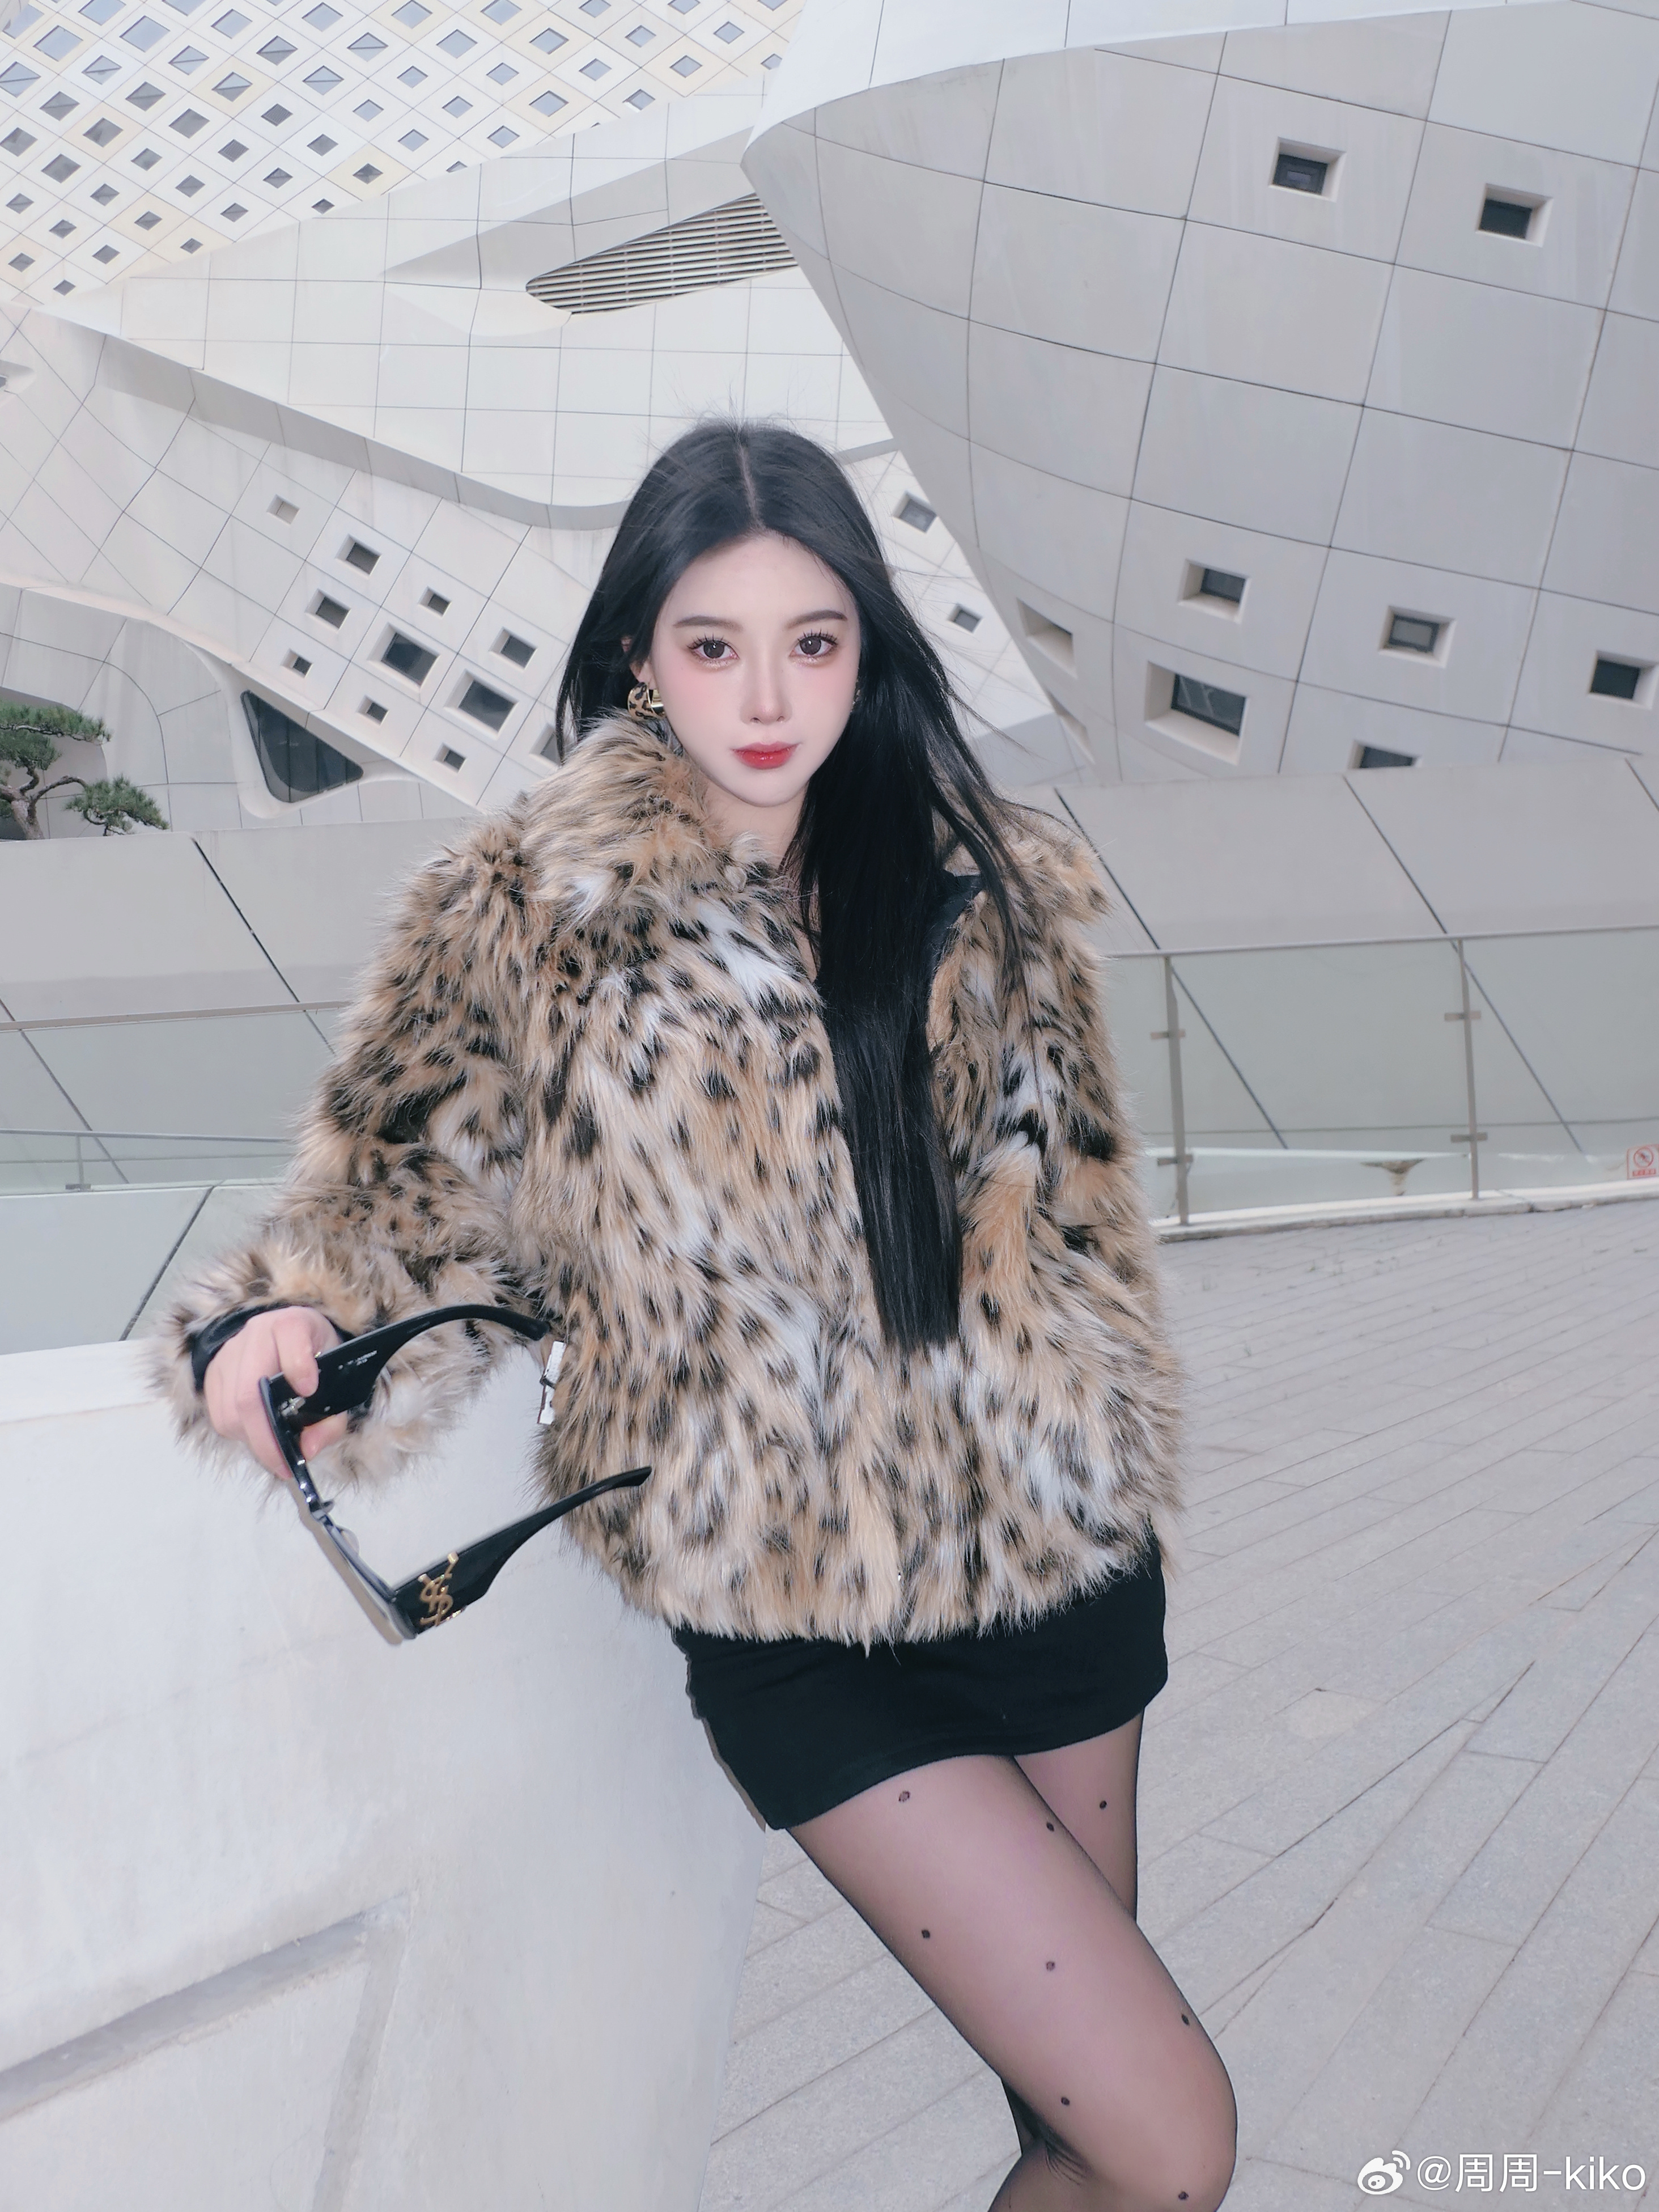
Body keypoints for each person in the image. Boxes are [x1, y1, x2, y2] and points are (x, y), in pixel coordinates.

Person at [154, 421, 1237, 2211]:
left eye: (814, 641)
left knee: (1085, 2137)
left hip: (1050, 1561)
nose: (770, 696)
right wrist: (279, 1318)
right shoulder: (530, 910)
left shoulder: (993, 885)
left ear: (866, 649)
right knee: (1173, 2141)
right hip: (789, 1606)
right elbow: (401, 1180)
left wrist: (1098, 1442)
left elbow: (1079, 1213)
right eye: (715, 644)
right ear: (641, 657)